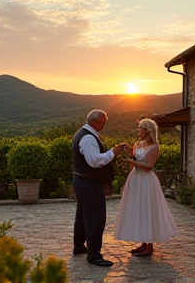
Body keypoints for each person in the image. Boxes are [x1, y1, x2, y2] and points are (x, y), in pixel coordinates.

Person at [114, 118, 178, 256]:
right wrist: (129, 150)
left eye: (140, 128)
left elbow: (149, 166)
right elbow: (138, 156)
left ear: (147, 130)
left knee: (147, 209)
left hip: (146, 181)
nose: (138, 130)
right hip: (136, 180)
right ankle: (143, 242)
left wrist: (133, 162)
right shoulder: (140, 144)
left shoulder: (154, 147)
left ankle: (150, 246)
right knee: (139, 210)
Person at [72, 109, 126, 267]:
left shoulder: (82, 134)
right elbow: (95, 161)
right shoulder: (88, 138)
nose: (104, 125)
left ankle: (79, 246)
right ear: (95, 122)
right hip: (89, 184)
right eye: (103, 122)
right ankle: (94, 255)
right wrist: (113, 153)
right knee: (96, 218)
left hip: (83, 182)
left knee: (82, 215)